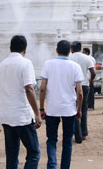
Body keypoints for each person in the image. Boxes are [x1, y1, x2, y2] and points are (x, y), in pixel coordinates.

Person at [0, 35, 41, 169]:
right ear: (25, 49)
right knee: (34, 152)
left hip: (7, 116)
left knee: (11, 155)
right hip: (22, 116)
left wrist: (4, 107)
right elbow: (29, 89)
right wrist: (37, 113)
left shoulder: (2, 64)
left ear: (10, 48)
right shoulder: (25, 63)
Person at [39, 40, 83, 169]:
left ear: (56, 50)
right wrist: (78, 109)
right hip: (69, 108)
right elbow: (79, 92)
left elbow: (42, 88)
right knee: (67, 141)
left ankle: (52, 165)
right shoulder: (75, 66)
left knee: (51, 140)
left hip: (52, 108)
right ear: (70, 51)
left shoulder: (48, 64)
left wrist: (41, 108)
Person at [70, 41, 95, 143]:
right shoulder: (86, 58)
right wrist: (90, 80)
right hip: (84, 85)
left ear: (71, 48)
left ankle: (77, 133)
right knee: (83, 109)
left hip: (72, 86)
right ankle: (84, 132)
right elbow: (93, 72)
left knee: (73, 109)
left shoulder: (70, 57)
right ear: (80, 48)